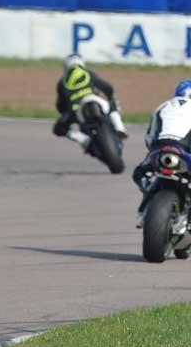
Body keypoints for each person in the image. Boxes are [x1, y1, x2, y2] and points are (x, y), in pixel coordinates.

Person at [133, 79, 191, 227]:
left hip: (159, 150)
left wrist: (154, 150)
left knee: (140, 172)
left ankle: (146, 203)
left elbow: (149, 137)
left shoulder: (162, 107)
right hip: (185, 153)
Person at [53, 54, 128, 150]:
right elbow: (107, 87)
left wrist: (66, 111)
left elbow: (60, 106)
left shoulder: (62, 82)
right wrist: (111, 97)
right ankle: (120, 127)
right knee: (112, 103)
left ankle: (82, 139)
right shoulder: (88, 73)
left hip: (76, 110)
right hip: (95, 101)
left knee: (58, 128)